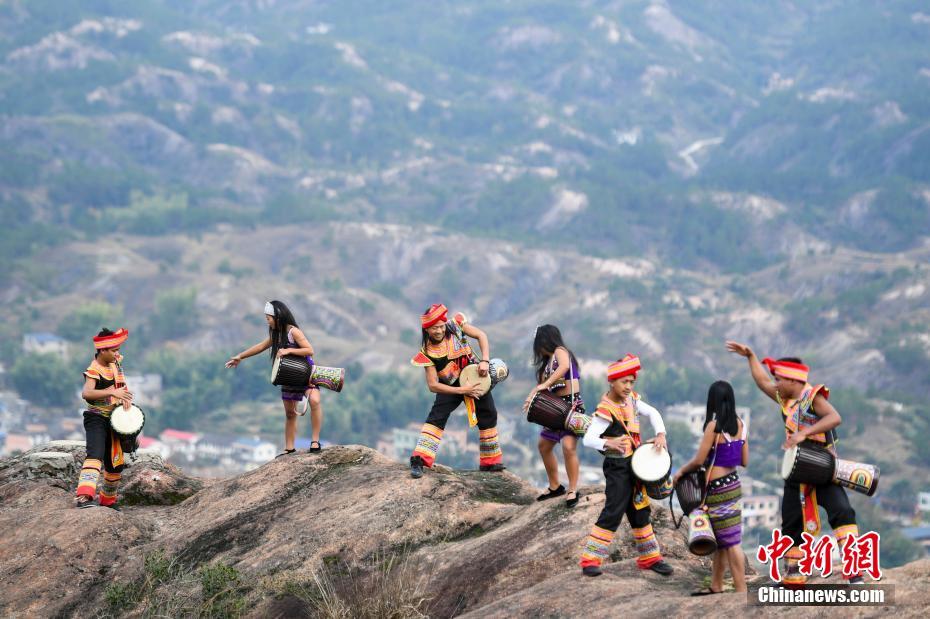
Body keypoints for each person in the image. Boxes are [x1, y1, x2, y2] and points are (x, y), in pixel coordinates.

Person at [726, 341, 865, 586]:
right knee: (791, 521)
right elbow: (762, 382)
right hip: (797, 468)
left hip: (821, 466)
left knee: (841, 511)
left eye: (779, 379)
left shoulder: (812, 397)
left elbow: (834, 417)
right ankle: (794, 576)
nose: (775, 384)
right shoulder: (786, 399)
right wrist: (751, 356)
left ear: (793, 380)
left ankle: (854, 573)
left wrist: (804, 433)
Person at [578, 354, 674, 577]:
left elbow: (653, 412)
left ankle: (650, 557)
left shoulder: (632, 400)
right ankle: (590, 560)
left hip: (634, 465)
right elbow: (588, 439)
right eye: (624, 382)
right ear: (612, 382)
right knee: (614, 510)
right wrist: (608, 443)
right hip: (617, 468)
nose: (629, 386)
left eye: (631, 382)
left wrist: (661, 434)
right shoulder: (606, 409)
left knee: (640, 509)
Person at [409, 304, 504, 478]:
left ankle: (490, 462)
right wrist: (462, 390)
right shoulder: (427, 353)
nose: (439, 330)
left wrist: (484, 360)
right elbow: (433, 385)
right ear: (426, 329)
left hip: (474, 377)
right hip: (450, 386)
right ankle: (419, 460)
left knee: (489, 413)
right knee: (437, 417)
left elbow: (481, 335)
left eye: (441, 326)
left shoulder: (455, 326)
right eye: (434, 328)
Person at [673, 381, 749, 594]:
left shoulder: (714, 427)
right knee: (723, 539)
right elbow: (744, 461)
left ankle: (741, 590)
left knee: (731, 542)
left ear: (713, 401)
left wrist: (680, 472)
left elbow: (698, 460)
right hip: (733, 485)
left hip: (717, 490)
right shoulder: (741, 425)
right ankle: (716, 585)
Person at [226, 301, 324, 455]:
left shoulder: (293, 332)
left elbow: (309, 350)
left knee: (315, 401)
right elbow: (260, 347)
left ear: (278, 317)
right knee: (290, 413)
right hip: (288, 377)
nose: (268, 322)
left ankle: (315, 441)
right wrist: (240, 356)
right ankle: (289, 448)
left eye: (269, 318)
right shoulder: (276, 335)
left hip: (305, 374)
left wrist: (288, 351)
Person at [524, 324, 585, 507]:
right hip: (553, 411)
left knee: (568, 446)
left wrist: (545, 384)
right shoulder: (546, 366)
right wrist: (532, 398)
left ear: (544, 340)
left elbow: (564, 366)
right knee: (543, 446)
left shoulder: (560, 352)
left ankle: (572, 489)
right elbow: (541, 390)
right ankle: (555, 486)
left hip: (570, 407)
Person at [75, 328, 133, 509]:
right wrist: (112, 392)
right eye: (114, 350)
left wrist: (124, 398)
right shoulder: (94, 369)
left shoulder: (115, 363)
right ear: (102, 350)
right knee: (95, 454)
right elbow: (87, 393)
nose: (117, 354)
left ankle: (108, 500)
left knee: (115, 462)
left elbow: (121, 387)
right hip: (96, 418)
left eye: (117, 350)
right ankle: (84, 497)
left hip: (114, 418)